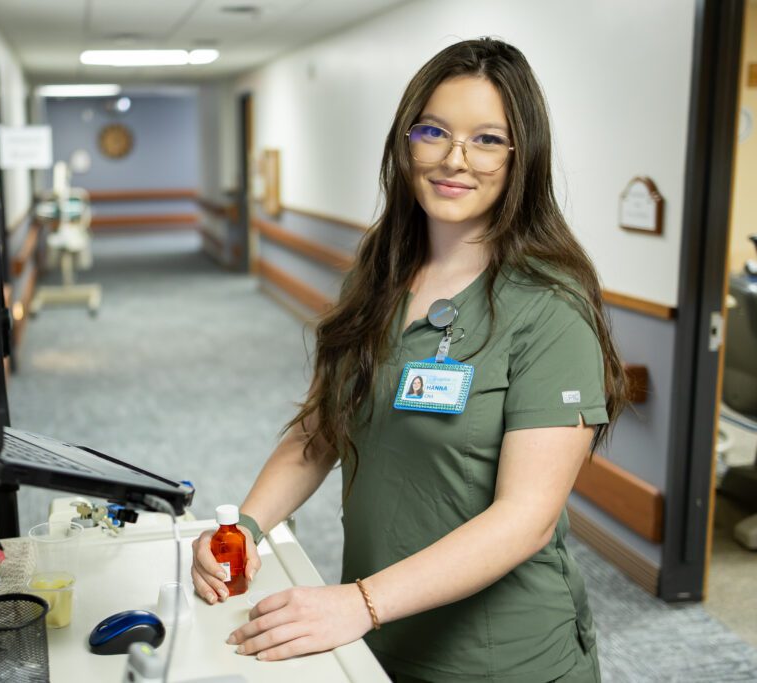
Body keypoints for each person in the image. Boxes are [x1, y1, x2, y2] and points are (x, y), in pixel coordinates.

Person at [191, 37, 626, 682]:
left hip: (502, 657)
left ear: (521, 157)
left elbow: (526, 521)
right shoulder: (378, 273)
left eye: (487, 139)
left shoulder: (549, 307)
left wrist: (360, 604)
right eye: (434, 131)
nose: (455, 159)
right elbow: (321, 430)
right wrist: (245, 528)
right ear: (405, 142)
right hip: (375, 638)